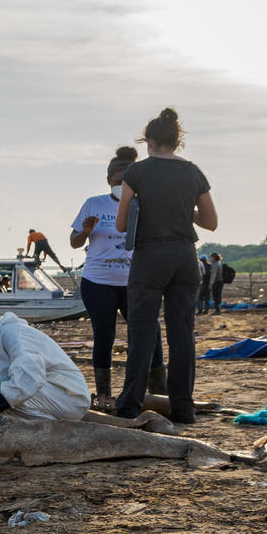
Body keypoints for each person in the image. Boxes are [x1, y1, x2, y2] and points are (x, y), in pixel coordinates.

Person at [114, 108, 218, 422]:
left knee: (142, 332)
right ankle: (183, 408)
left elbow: (121, 224)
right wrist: (184, 212)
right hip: (185, 255)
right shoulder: (193, 171)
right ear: (176, 141)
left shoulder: (137, 172)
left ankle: (130, 405)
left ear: (149, 141)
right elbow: (211, 222)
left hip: (150, 257)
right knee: (182, 333)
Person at [68, 146, 165, 412]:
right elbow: (75, 242)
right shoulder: (94, 203)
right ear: (109, 180)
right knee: (104, 335)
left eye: (126, 181)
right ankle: (104, 394)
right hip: (98, 282)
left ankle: (158, 390)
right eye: (116, 181)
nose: (121, 185)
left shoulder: (144, 203)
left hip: (135, 281)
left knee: (149, 333)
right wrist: (85, 231)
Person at [0, 292, 90, 422]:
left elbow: (30, 377)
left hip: (69, 398)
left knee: (1, 384)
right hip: (47, 395)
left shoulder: (11, 333)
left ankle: (46, 427)